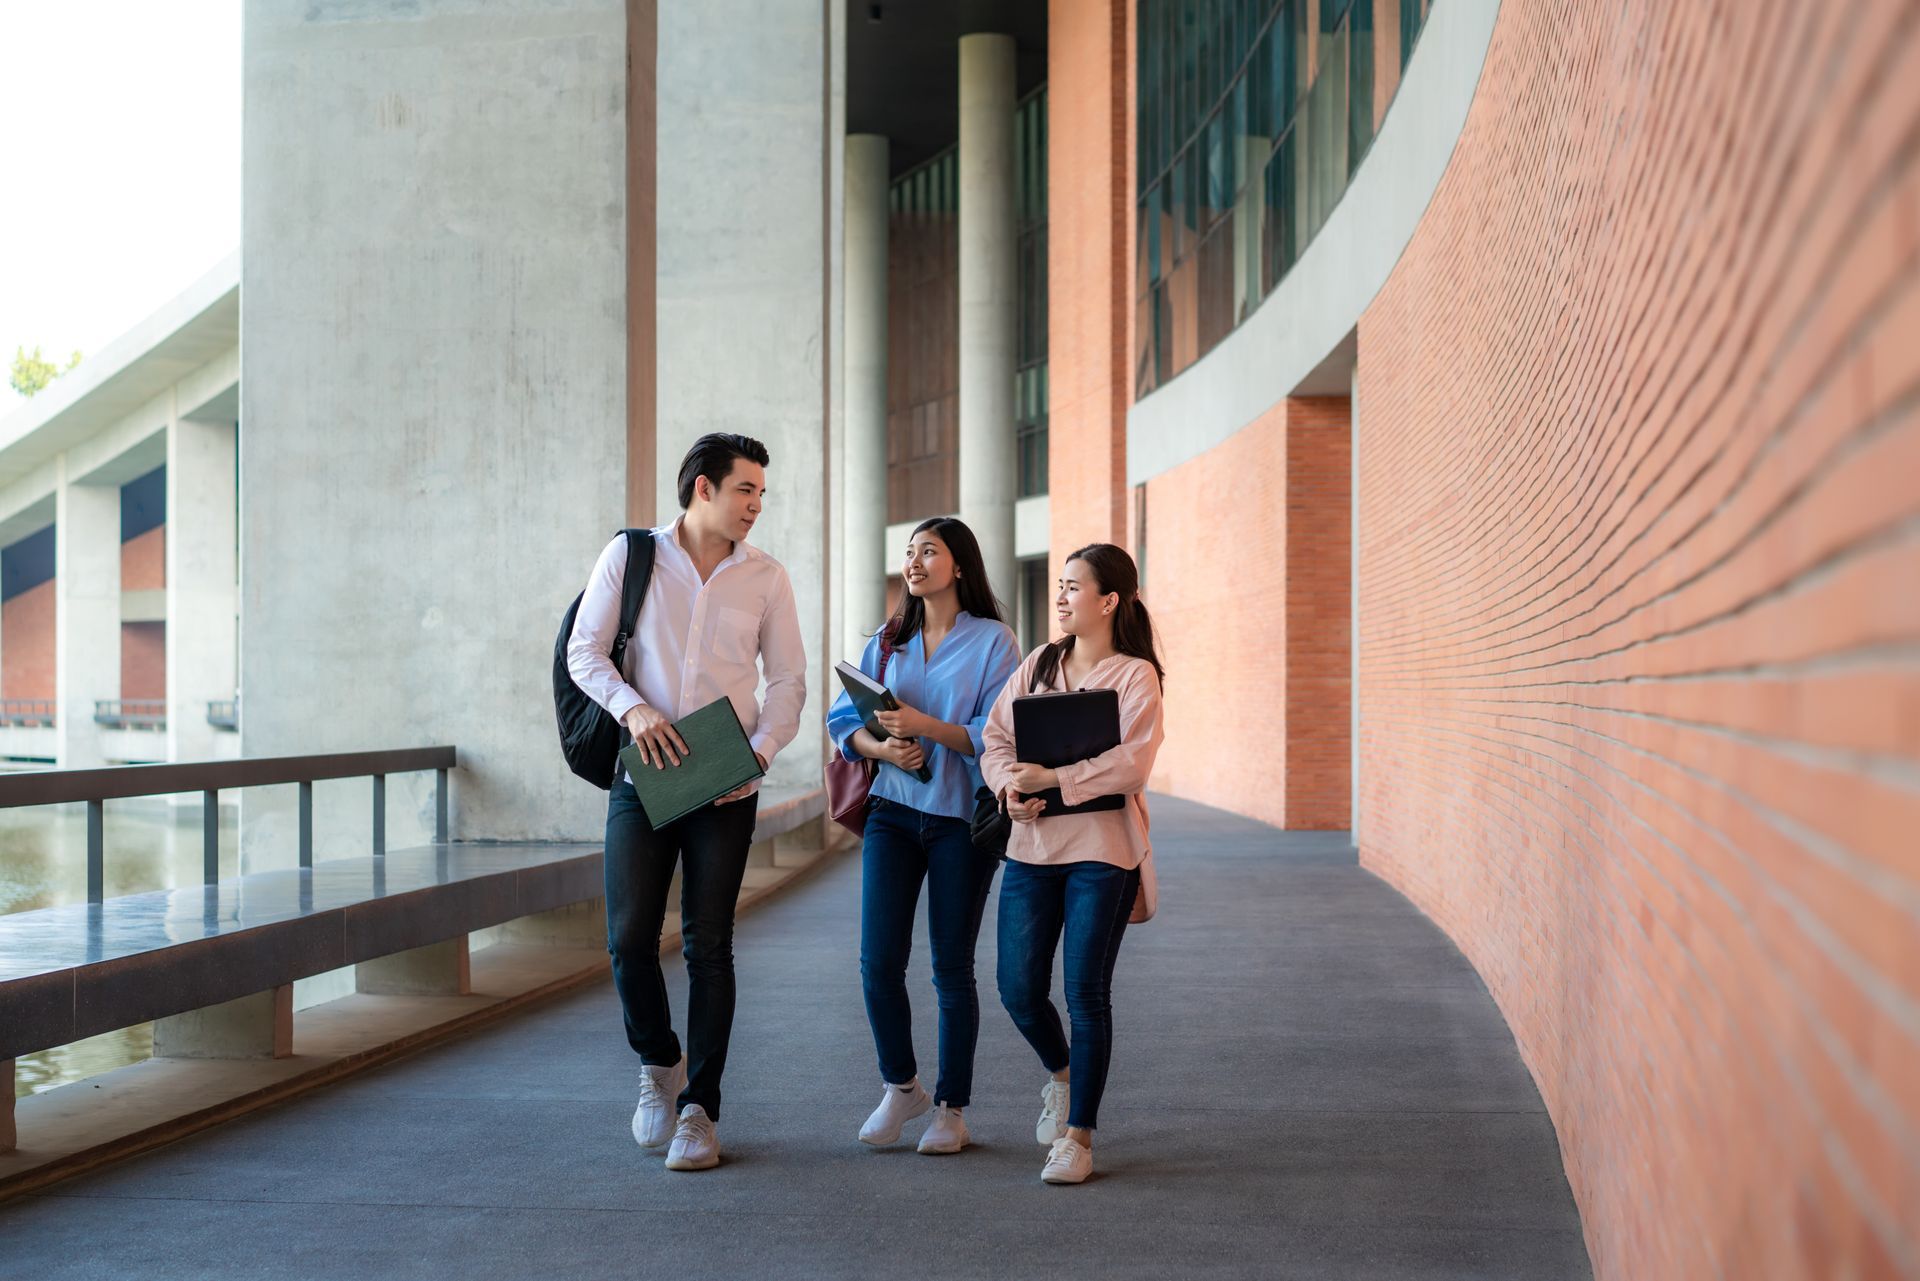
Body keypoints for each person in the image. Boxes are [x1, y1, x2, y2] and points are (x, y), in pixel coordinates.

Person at [566, 433, 807, 1172]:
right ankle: (658, 1059)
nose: (756, 505)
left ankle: (701, 1107)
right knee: (630, 937)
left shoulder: (766, 577)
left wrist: (760, 755)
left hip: (727, 783)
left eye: (762, 493)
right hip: (644, 776)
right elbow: (586, 651)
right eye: (746, 489)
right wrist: (633, 709)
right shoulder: (633, 556)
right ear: (703, 487)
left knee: (709, 943)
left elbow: (789, 682)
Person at [826, 517, 1020, 1155]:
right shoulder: (888, 640)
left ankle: (951, 1107)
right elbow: (840, 721)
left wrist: (923, 726)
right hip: (891, 814)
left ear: (958, 564)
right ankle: (901, 1084)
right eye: (909, 552)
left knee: (950, 967)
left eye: (928, 551)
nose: (913, 561)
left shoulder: (994, 641)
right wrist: (882, 747)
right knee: (877, 961)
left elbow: (994, 736)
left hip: (960, 822)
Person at [979, 542, 1165, 1185]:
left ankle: (1079, 1136)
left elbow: (1132, 763)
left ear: (1108, 600)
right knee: (1018, 988)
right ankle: (1063, 1074)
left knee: (1086, 992)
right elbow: (996, 738)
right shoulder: (1037, 664)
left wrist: (1052, 778)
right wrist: (1010, 787)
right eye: (1057, 586)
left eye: (1073, 587)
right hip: (1030, 849)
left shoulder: (1134, 676)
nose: (1060, 596)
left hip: (1103, 851)